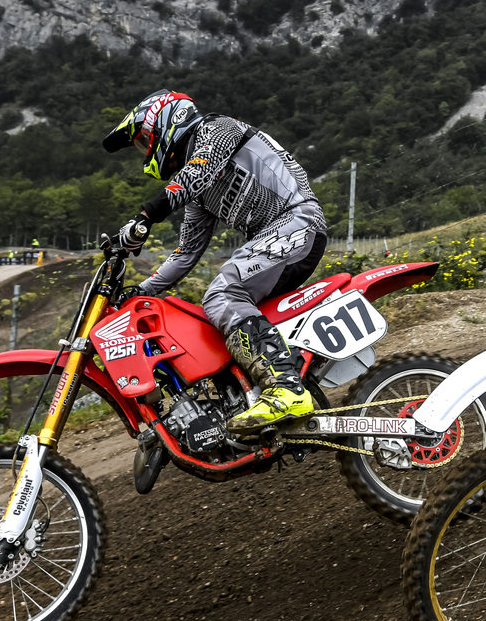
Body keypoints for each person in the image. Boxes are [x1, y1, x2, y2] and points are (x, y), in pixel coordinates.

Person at [106, 90, 329, 433]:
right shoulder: (197, 193)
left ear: (167, 122)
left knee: (223, 293)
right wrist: (142, 291)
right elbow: (186, 252)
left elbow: (197, 173)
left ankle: (286, 389)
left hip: (298, 221)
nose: (146, 151)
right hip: (277, 236)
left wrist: (147, 215)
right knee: (217, 309)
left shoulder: (219, 129)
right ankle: (249, 394)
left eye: (144, 141)